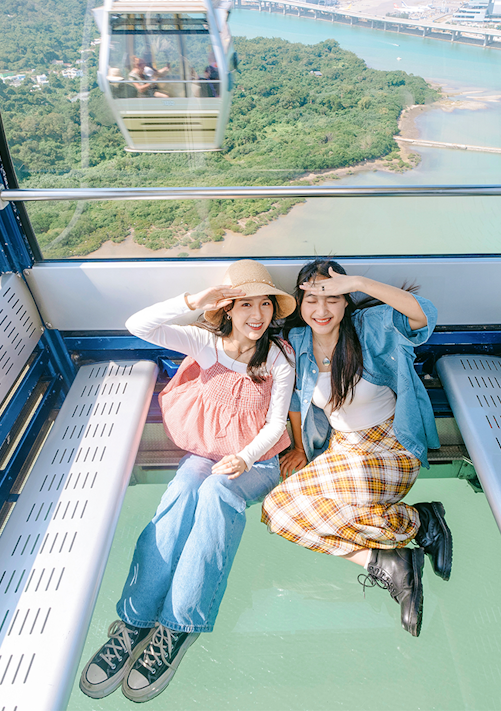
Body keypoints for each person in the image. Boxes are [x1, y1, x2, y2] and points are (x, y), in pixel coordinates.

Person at [80, 260, 296, 703]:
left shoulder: (279, 357)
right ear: (229, 308)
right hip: (205, 453)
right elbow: (138, 324)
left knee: (217, 494)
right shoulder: (206, 344)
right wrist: (195, 301)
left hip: (258, 463)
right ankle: (135, 621)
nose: (258, 316)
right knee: (181, 493)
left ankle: (176, 626)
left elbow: (276, 425)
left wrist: (245, 456)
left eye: (266, 305)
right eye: (246, 305)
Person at [261, 258, 453, 637]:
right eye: (312, 299)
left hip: (390, 448)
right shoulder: (298, 342)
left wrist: (359, 281)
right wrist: (299, 445)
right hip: (344, 449)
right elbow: (297, 401)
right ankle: (392, 553)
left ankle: (417, 527)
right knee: (277, 512)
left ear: (346, 301)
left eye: (331, 298)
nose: (321, 310)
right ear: (300, 304)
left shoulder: (370, 329)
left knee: (351, 501)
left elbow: (423, 316)